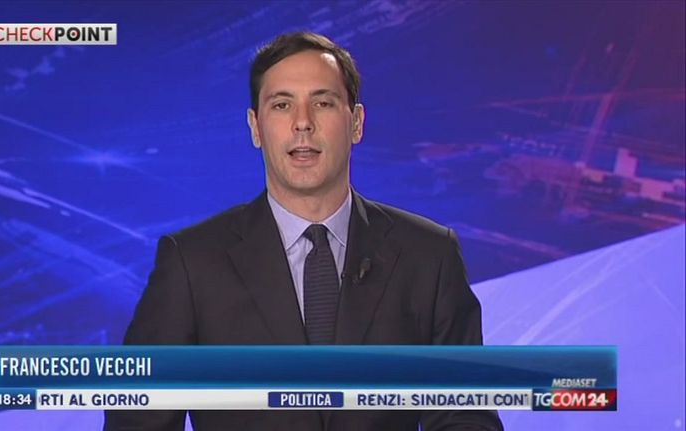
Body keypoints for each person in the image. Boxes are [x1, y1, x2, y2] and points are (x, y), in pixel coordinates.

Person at [104, 31, 503, 431]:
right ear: (256, 127)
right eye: (282, 105)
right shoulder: (192, 263)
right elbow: (137, 423)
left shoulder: (429, 256)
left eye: (322, 103)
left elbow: (465, 418)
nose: (302, 123)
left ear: (356, 122)